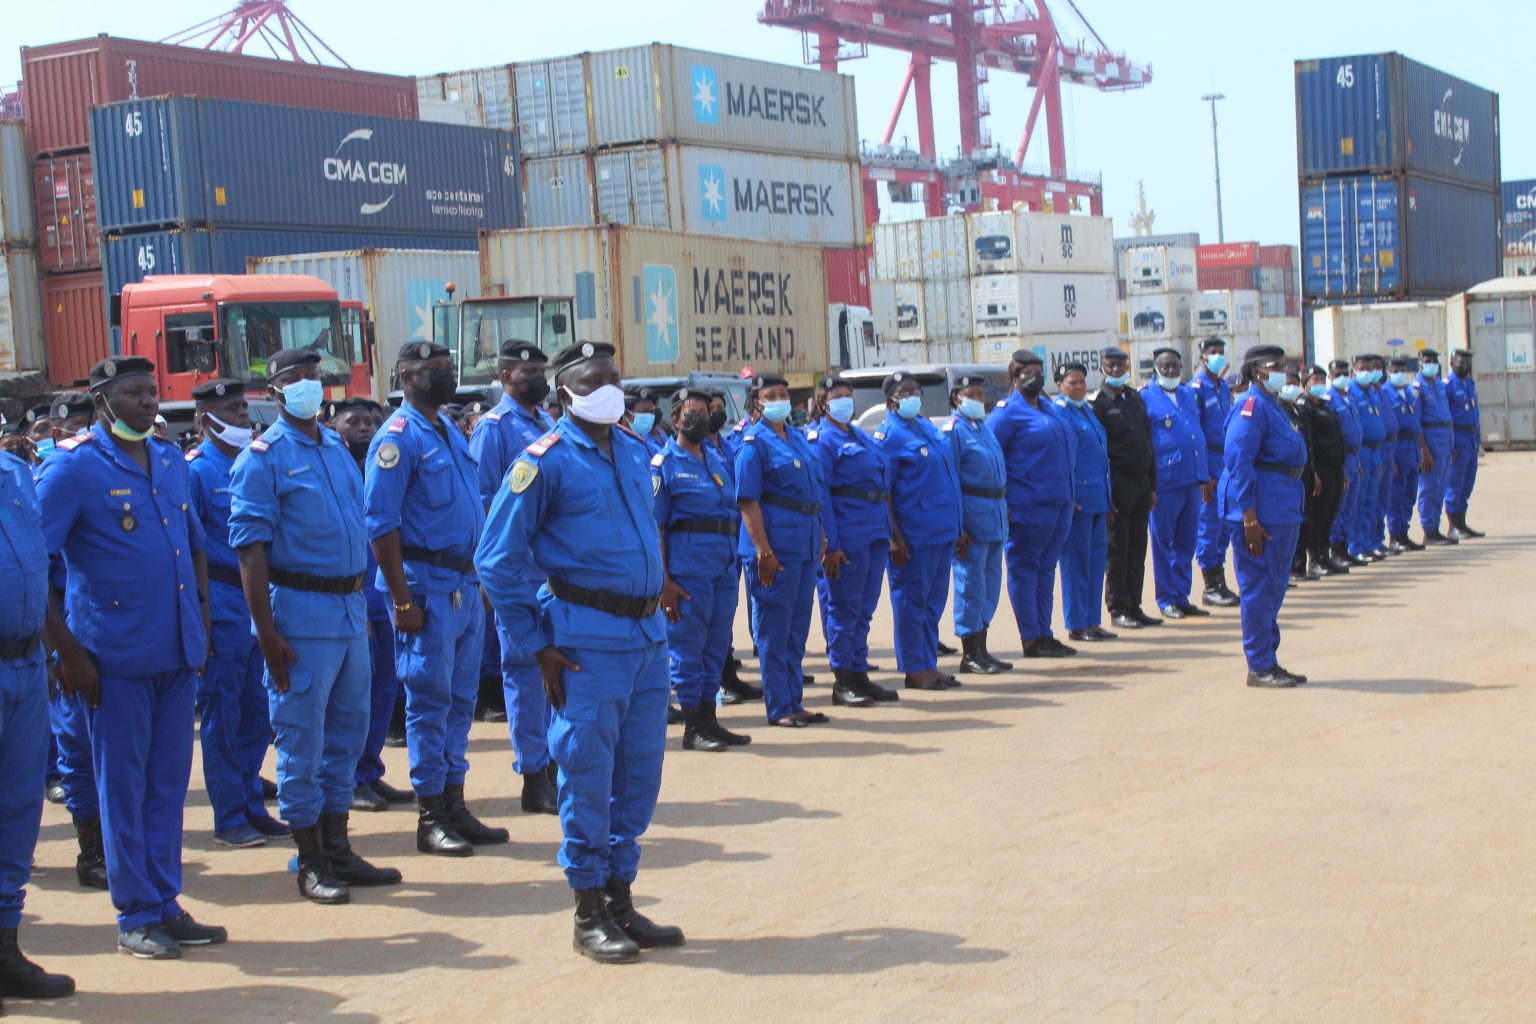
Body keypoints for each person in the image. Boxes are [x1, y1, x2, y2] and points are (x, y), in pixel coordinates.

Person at [477, 340, 681, 964]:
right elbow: (495, 561)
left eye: (614, 379)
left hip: (646, 639)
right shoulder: (544, 462)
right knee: (588, 775)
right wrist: (536, 644)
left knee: (638, 776)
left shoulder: (635, 449)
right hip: (586, 642)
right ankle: (588, 910)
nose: (609, 391)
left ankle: (620, 897)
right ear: (565, 394)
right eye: (594, 382)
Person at [37, 356, 226, 958]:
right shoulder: (73, 468)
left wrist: (200, 622)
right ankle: (136, 914)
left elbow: (195, 547)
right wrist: (66, 652)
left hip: (175, 650)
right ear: (102, 401)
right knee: (123, 788)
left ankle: (166, 901)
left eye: (151, 391)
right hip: (112, 659)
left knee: (167, 785)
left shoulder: (169, 459)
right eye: (134, 393)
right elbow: (31, 564)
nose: (148, 401)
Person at [230, 350, 401, 905]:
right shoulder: (263, 458)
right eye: (294, 380)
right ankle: (309, 859)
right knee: (301, 741)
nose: (308, 386)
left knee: (347, 737)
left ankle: (338, 847)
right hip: (299, 615)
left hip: (349, 611)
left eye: (313, 378)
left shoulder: (333, 446)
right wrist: (266, 633)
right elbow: (250, 552)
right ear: (274, 392)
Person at [366, 342, 503, 855]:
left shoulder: (447, 428)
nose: (445, 376)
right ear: (406, 377)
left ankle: (454, 801)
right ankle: (431, 816)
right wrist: (402, 601)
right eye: (433, 370)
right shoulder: (397, 438)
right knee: (428, 701)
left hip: (463, 585)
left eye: (447, 367)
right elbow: (380, 525)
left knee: (461, 700)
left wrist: (480, 580)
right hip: (424, 588)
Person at [185, 380, 284, 848]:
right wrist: (199, 620)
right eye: (230, 409)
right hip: (220, 602)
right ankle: (229, 816)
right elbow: (188, 551)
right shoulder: (197, 471)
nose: (243, 415)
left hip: (256, 601)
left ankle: (250, 802)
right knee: (222, 716)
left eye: (243, 407)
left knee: (259, 711)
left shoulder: (253, 463)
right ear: (205, 419)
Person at [467, 339, 559, 815]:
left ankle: (555, 763)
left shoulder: (546, 423)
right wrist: (492, 576)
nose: (538, 379)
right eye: (529, 373)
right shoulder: (494, 429)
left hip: (552, 571)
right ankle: (533, 776)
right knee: (524, 674)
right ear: (506, 376)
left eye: (542, 372)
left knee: (557, 671)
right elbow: (484, 504)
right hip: (518, 572)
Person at [0, 444, 76, 1006]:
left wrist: (52, 652)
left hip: (25, 664)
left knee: (18, 812)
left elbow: (40, 565)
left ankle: (5, 948)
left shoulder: (16, 473)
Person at [324, 398, 413, 814]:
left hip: (382, 594)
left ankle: (369, 770)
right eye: (354, 421)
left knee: (383, 690)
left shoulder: (379, 465)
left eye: (371, 421)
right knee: (351, 699)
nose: (365, 427)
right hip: (351, 596)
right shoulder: (331, 465)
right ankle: (348, 779)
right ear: (333, 425)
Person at [652, 388, 752, 748]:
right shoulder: (665, 464)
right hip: (687, 572)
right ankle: (693, 725)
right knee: (687, 647)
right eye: (691, 414)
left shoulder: (715, 458)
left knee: (716, 644)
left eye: (704, 414)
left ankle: (710, 718)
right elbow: (655, 529)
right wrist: (664, 582)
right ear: (676, 418)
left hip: (722, 567)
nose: (699, 420)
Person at [39, 392, 107, 889]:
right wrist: (57, 649)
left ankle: (122, 847)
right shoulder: (56, 476)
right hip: (61, 623)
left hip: (106, 623)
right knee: (77, 745)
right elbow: (35, 566)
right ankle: (92, 851)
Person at [735, 373, 825, 726]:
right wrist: (763, 550)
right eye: (770, 395)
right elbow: (747, 501)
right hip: (774, 548)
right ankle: (779, 707)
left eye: (783, 394)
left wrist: (821, 535)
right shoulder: (754, 443)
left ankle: (794, 700)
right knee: (774, 628)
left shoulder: (797, 438)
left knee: (796, 629)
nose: (779, 400)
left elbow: (811, 492)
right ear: (756, 403)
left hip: (803, 543)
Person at [1218, 346, 1309, 687]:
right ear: (1256, 371)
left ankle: (1268, 658)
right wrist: (1249, 517)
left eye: (1283, 365)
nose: (1282, 371)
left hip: (1282, 507)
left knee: (1274, 588)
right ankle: (1259, 666)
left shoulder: (1274, 406)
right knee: (1258, 589)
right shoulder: (1251, 406)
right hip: (1260, 512)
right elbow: (1238, 461)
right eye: (1275, 366)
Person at [812, 376, 902, 702]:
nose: (845, 400)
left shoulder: (858, 434)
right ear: (823, 403)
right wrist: (830, 544)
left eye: (848, 395)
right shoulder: (823, 440)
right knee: (844, 608)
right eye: (837, 396)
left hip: (875, 529)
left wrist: (890, 531)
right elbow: (821, 494)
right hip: (848, 533)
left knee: (864, 608)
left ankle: (859, 671)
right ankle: (843, 678)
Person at [876, 372, 963, 687]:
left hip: (941, 530)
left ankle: (928, 662)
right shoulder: (890, 435)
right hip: (913, 534)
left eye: (915, 390)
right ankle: (914, 669)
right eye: (904, 392)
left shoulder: (925, 426)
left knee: (932, 602)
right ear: (891, 400)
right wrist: (894, 536)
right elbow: (884, 491)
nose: (912, 396)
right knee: (911, 603)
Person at [989, 351, 1077, 658]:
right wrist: (1002, 500)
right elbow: (990, 458)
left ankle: (1044, 632)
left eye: (1039, 372)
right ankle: (1031, 637)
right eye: (1028, 373)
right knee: (1025, 570)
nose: (1035, 378)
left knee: (1046, 570)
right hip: (1026, 506)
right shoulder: (1006, 413)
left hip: (1059, 503)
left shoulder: (1048, 407)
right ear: (1014, 378)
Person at [944, 374, 1012, 670]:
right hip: (971, 520)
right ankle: (970, 652)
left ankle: (982, 648)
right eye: (971, 394)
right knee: (970, 585)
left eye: (980, 394)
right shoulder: (954, 431)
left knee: (990, 585)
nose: (977, 399)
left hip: (994, 515)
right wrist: (957, 527)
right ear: (956, 398)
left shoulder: (983, 427)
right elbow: (950, 482)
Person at [1092, 348, 1161, 630]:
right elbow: (1098, 453)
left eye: (1121, 365)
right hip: (1118, 486)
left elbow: (1147, 443)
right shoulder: (1099, 403)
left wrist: (1153, 485)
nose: (1116, 370)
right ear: (1102, 367)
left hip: (1142, 484)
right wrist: (1106, 495)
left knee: (1137, 549)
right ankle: (1118, 607)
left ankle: (1134, 605)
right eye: (1111, 365)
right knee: (1118, 551)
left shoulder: (1134, 398)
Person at [1141, 347, 1212, 619]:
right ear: (1156, 369)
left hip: (1191, 479)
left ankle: (1182, 596)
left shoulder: (1187, 394)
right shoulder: (1146, 397)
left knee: (1186, 542)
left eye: (1175, 366)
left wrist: (1204, 474)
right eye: (1165, 366)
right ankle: (1166, 598)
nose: (1170, 370)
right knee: (1163, 543)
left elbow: (1196, 433)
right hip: (1165, 481)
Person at [1052, 363, 1115, 643]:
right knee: (1075, 565)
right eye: (1072, 382)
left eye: (1081, 382)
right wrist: (1067, 496)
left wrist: (1108, 498)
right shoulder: (1060, 414)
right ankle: (1077, 624)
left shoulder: (1085, 410)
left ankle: (1092, 621)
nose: (1079, 387)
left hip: (1097, 499)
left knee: (1095, 563)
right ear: (1059, 386)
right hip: (1078, 501)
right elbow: (1059, 461)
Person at [1188, 338, 1239, 606]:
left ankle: (1220, 580)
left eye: (1221, 352)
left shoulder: (1222, 386)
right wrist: (1204, 474)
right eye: (1213, 352)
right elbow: (1195, 432)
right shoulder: (1196, 388)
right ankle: (1210, 585)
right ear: (1203, 357)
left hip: (1226, 462)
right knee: (1209, 525)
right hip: (1210, 462)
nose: (1218, 356)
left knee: (1223, 526)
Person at [1295, 365, 1348, 578]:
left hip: (1335, 467)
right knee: (1317, 516)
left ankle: (1325, 556)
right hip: (1320, 468)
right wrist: (1314, 471)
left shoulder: (1325, 405)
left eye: (1321, 380)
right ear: (1305, 383)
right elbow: (1308, 440)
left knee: (1329, 514)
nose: (1319, 383)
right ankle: (1314, 559)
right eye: (1314, 380)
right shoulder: (1305, 407)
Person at [1345, 354, 1387, 562]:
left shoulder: (1371, 392)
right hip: (1361, 451)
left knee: (1371, 500)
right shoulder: (1351, 393)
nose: (1367, 373)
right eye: (1362, 369)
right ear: (1353, 371)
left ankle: (1368, 542)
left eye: (1369, 369)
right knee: (1358, 502)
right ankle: (1355, 546)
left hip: (1375, 452)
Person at [1412, 349, 1457, 546]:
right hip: (1431, 444)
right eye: (1427, 360)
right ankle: (1428, 530)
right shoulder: (1417, 387)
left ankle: (1435, 528)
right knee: (1429, 488)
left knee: (1441, 488)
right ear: (1420, 364)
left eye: (1434, 360)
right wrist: (1424, 451)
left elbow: (1446, 417)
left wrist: (1451, 445)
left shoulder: (1439, 385)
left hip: (1445, 443)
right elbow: (1416, 422)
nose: (1431, 364)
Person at [1326, 360, 1367, 569]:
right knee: (1339, 507)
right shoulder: (1329, 399)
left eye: (1344, 373)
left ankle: (1345, 548)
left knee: (1351, 506)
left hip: (1354, 456)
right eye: (1337, 374)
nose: (1342, 377)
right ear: (1330, 377)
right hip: (1341, 458)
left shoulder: (1349, 398)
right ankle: (1335, 550)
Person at [1381, 358, 1425, 553]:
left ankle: (1403, 533)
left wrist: (1421, 450)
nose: (1400, 374)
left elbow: (1416, 421)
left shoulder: (1408, 392)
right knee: (1396, 495)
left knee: (1410, 493)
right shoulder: (1385, 393)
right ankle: (1394, 536)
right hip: (1398, 446)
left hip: (1412, 448)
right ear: (1388, 372)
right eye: (1395, 371)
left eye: (1402, 371)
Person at [1443, 349, 1483, 539]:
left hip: (1471, 439)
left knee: (1467, 483)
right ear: (1452, 363)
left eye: (1467, 362)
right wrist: (1450, 445)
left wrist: (1478, 439)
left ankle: (1462, 522)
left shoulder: (1469, 384)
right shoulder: (1448, 386)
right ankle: (1453, 526)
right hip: (1457, 438)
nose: (1465, 365)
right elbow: (1445, 417)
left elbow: (1475, 414)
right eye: (1461, 362)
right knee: (1455, 483)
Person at [625, 386, 667, 458]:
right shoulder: (616, 444)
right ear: (627, 413)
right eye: (644, 412)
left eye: (651, 412)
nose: (649, 416)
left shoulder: (651, 445)